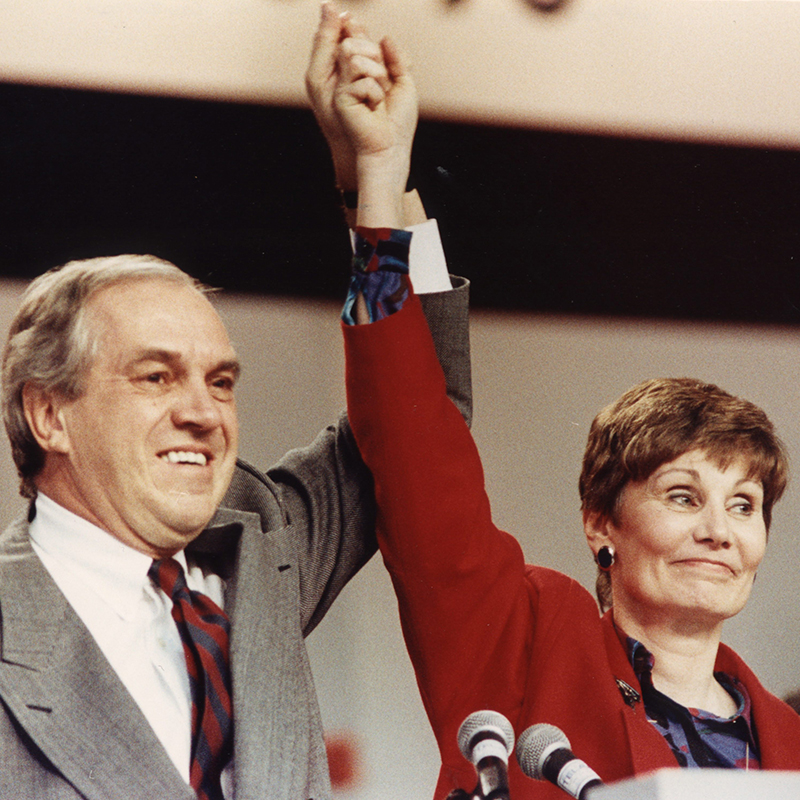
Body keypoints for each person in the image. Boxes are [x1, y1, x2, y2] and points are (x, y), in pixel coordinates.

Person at [0, 6, 470, 799]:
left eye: (220, 380)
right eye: (155, 376)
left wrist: (376, 176)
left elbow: (423, 425)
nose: (202, 411)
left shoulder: (264, 547)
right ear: (49, 414)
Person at [335, 30, 800, 800]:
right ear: (600, 523)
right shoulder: (525, 639)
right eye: (683, 496)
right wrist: (383, 178)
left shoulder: (791, 747)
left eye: (744, 506)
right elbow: (415, 440)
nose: (720, 530)